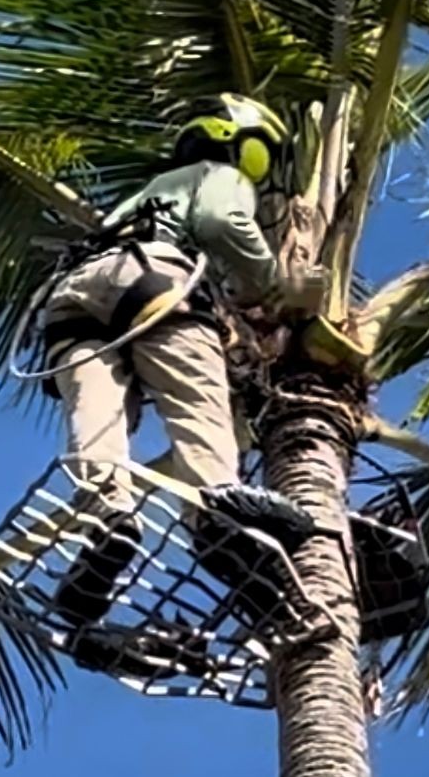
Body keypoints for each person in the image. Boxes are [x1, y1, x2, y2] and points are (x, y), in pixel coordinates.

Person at [40, 95, 312, 627]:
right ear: (247, 144)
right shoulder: (217, 172)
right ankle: (217, 506)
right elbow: (219, 221)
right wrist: (269, 285)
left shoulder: (146, 194)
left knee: (96, 411)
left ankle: (106, 520)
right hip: (150, 279)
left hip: (69, 299)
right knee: (195, 393)